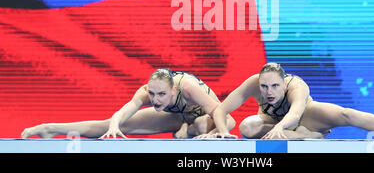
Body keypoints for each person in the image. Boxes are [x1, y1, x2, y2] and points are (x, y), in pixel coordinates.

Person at [206, 62, 374, 140]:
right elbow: (221, 109)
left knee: (347, 114)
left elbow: (295, 114)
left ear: (284, 82)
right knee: (247, 126)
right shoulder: (252, 83)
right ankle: (307, 136)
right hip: (275, 123)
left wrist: (280, 127)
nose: (269, 91)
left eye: (275, 86)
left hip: (307, 116)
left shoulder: (297, 86)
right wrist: (223, 131)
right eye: (264, 86)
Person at [21, 69, 235, 139]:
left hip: (206, 117)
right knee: (107, 126)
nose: (156, 99)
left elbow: (219, 110)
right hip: (177, 117)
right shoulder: (146, 93)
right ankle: (49, 128)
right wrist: (114, 126)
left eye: (161, 94)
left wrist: (222, 132)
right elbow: (122, 112)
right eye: (152, 94)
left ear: (174, 91)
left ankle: (187, 130)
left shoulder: (188, 87)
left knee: (202, 124)